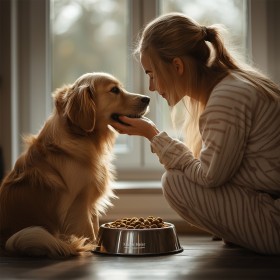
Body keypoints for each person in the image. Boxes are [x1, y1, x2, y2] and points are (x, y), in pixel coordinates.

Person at [111, 13, 280, 255]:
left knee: (174, 183)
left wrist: (153, 135)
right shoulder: (233, 84)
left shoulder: (226, 98)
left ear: (178, 66)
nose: (151, 87)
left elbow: (210, 177)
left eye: (152, 74)